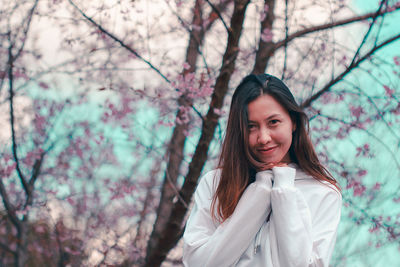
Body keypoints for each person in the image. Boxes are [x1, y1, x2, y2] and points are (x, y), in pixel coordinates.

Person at [182, 74, 342, 267]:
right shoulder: (215, 183)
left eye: (273, 122)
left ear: (293, 122)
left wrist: (283, 189)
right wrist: (259, 193)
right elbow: (197, 263)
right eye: (251, 127)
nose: (263, 137)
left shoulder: (323, 192)